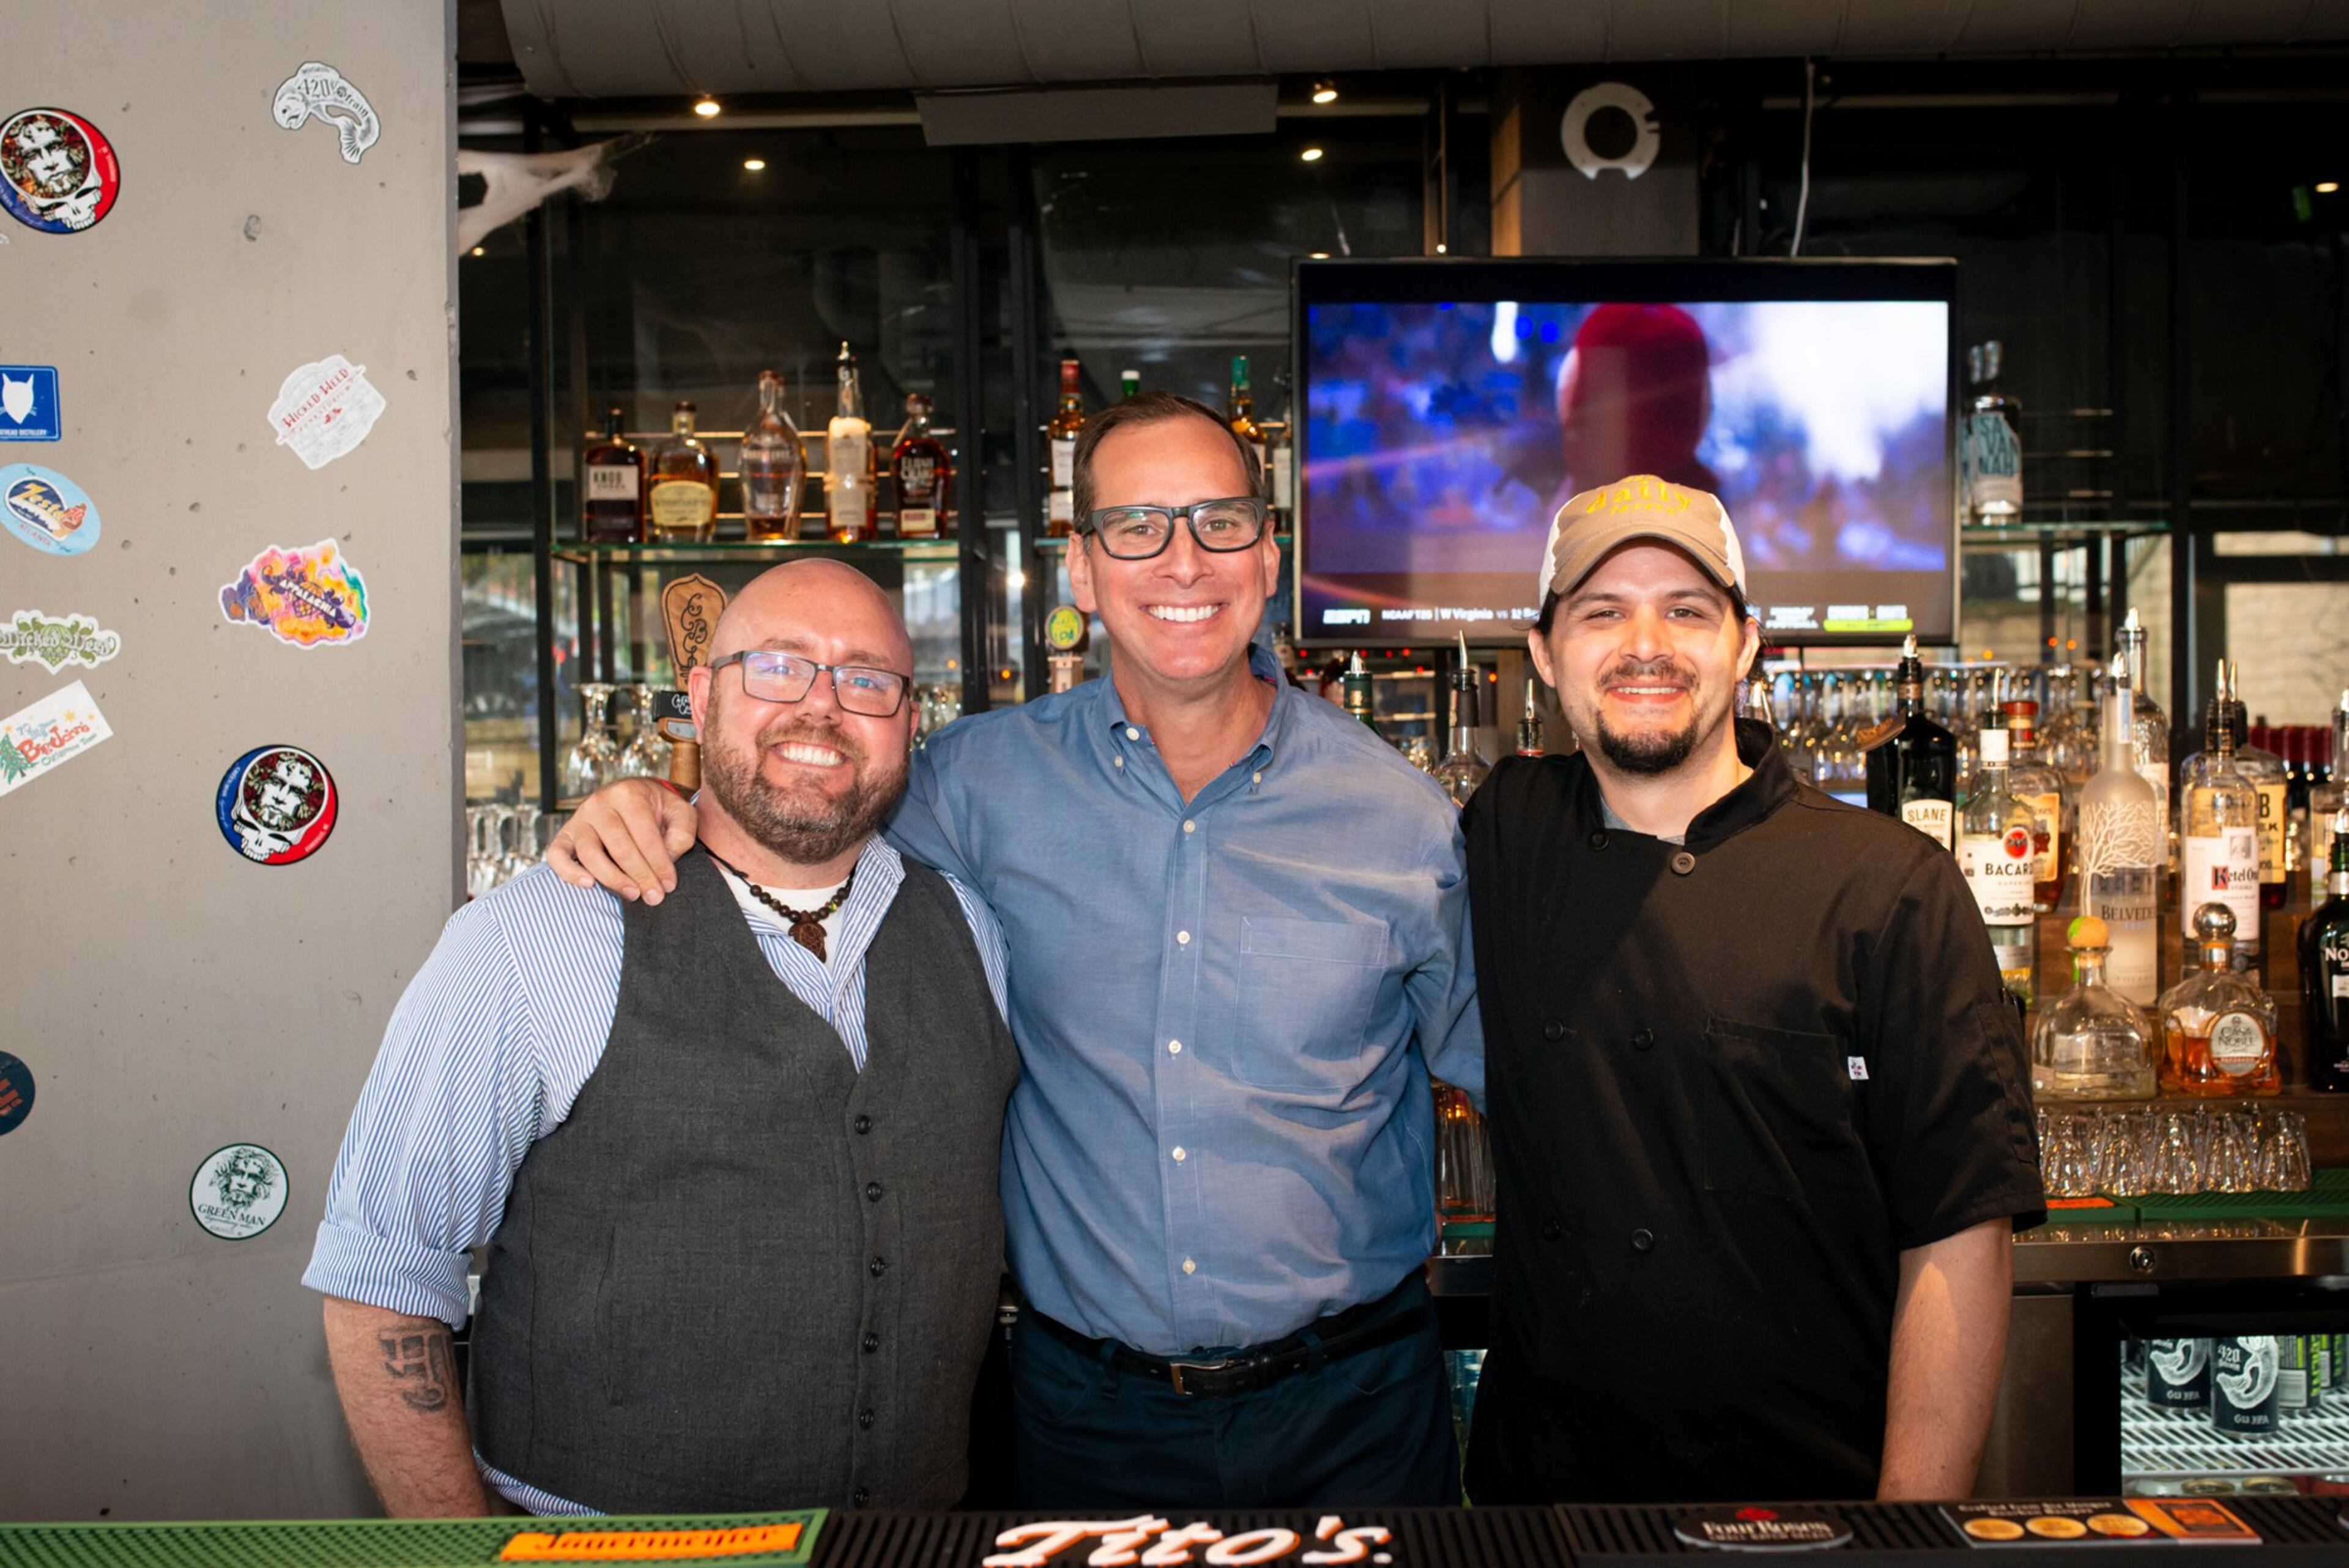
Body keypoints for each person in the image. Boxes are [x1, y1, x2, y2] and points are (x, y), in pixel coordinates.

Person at [548, 392, 1482, 1509]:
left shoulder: (1402, 818)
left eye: (1218, 523)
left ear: (1268, 556)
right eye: (1136, 526)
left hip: (1357, 1409)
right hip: (1086, 1417)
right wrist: (659, 793)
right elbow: (801, 798)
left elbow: (1496, 1080)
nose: (1182, 561)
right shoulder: (973, 786)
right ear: (1080, 571)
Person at [303, 560, 1018, 1516]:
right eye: (779, 668)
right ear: (700, 695)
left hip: (907, 1532)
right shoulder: (535, 937)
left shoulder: (967, 927)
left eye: (867, 680)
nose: (822, 707)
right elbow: (379, 1284)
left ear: (909, 718)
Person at [1462, 475, 2044, 1505]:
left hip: (1809, 1501)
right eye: (1603, 611)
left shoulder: (1888, 885)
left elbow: (1960, 1232)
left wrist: (1907, 1534)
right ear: (1544, 655)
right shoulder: (1502, 833)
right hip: (1544, 1506)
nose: (1648, 643)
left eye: (1687, 610)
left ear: (1746, 643)